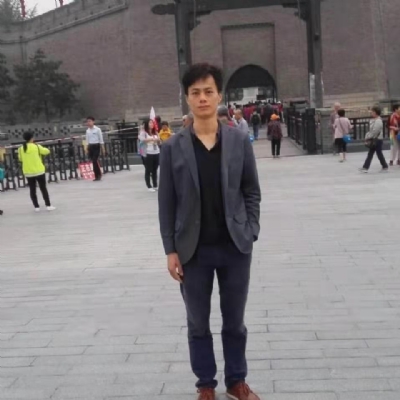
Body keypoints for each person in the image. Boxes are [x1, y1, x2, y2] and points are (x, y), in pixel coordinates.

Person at [158, 63, 261, 400]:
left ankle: (236, 381)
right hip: (193, 251)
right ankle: (205, 384)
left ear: (219, 96)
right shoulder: (173, 147)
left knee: (235, 322)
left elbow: (251, 190)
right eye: (195, 93)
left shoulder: (238, 140)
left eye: (208, 91)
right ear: (187, 98)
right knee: (197, 323)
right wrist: (170, 250)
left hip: (235, 247)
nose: (202, 98)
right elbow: (166, 202)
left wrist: (251, 229)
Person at [18, 132, 56, 212]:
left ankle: (36, 207)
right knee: (43, 188)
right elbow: (46, 151)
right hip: (39, 171)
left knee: (32, 189)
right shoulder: (37, 146)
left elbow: (20, 159)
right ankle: (48, 205)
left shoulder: (21, 148)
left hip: (28, 172)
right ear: (31, 138)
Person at [360, 106, 388, 173]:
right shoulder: (374, 120)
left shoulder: (378, 121)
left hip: (377, 139)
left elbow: (375, 131)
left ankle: (366, 167)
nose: (371, 113)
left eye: (372, 112)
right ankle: (366, 167)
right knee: (374, 153)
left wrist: (368, 137)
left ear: (375, 112)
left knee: (376, 153)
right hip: (375, 139)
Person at [139, 119, 160, 192]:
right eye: (150, 123)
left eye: (152, 123)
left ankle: (155, 185)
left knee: (155, 169)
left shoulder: (155, 132)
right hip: (148, 152)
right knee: (148, 170)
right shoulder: (143, 132)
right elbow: (142, 140)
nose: (152, 124)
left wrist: (157, 140)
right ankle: (149, 186)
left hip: (156, 151)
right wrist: (151, 139)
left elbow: (159, 140)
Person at [85, 117, 105, 181]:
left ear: (93, 122)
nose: (88, 123)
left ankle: (98, 175)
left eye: (90, 121)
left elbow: (101, 139)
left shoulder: (97, 129)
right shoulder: (87, 131)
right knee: (93, 161)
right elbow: (87, 140)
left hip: (96, 146)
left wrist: (103, 148)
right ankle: (97, 175)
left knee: (94, 160)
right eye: (87, 121)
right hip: (91, 146)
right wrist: (86, 148)